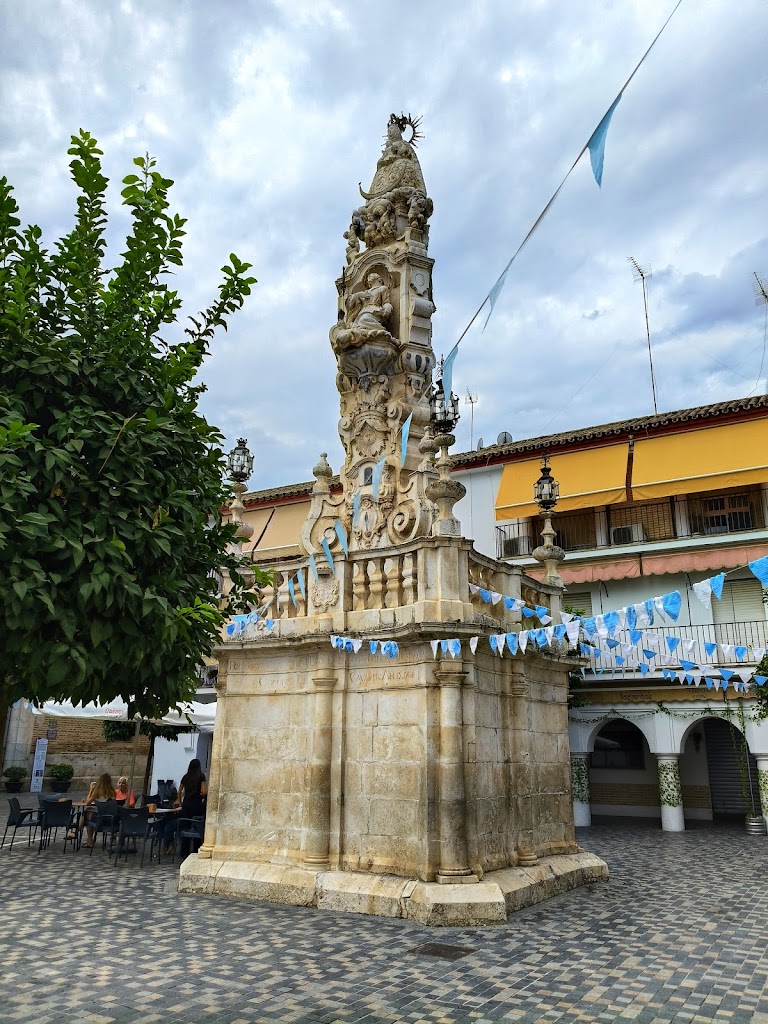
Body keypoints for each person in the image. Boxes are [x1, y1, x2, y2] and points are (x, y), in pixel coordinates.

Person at [161, 758, 207, 855]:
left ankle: (184, 851)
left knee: (185, 826)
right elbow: (204, 791)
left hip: (186, 804)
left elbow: (180, 790)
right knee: (196, 827)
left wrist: (180, 801)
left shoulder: (186, 777)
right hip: (197, 804)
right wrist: (201, 795)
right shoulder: (201, 776)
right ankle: (195, 849)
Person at [82, 773, 116, 848]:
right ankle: (81, 833)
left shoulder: (97, 792)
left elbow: (87, 802)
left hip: (99, 818)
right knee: (89, 812)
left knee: (86, 814)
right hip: (110, 818)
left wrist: (91, 790)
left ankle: (89, 838)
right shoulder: (113, 792)